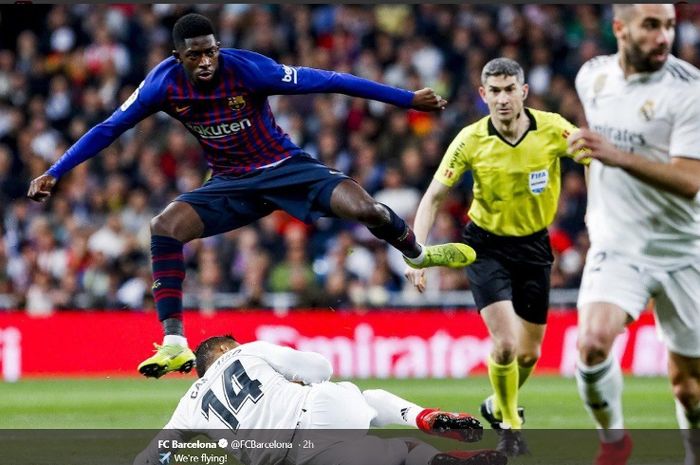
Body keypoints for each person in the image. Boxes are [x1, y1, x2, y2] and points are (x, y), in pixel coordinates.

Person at [26, 13, 476, 378]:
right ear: (176, 56)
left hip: (287, 168)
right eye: (194, 55)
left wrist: (404, 99)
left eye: (210, 51)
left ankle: (415, 254)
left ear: (218, 47)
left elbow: (330, 79)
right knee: (163, 227)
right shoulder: (161, 85)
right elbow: (108, 128)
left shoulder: (250, 69)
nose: (205, 62)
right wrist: (55, 171)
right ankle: (175, 342)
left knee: (367, 209)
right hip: (230, 183)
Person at [405, 57, 588, 455]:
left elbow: (593, 156)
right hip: (484, 247)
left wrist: (601, 214)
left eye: (510, 90)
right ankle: (510, 424)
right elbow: (433, 197)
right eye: (495, 92)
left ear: (523, 92)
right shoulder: (470, 139)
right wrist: (414, 252)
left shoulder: (553, 128)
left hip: (536, 247)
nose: (503, 99)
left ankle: (494, 403)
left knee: (528, 352)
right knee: (505, 345)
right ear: (483, 95)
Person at [568, 4, 700, 465]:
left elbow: (688, 181)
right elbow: (594, 151)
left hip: (684, 249)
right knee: (591, 345)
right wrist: (598, 215)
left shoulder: (690, 93)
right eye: (651, 26)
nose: (664, 36)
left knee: (690, 388)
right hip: (618, 245)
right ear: (620, 28)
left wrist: (616, 156)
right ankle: (614, 443)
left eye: (669, 26)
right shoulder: (592, 77)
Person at [132, 335, 507, 465]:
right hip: (316, 412)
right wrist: (296, 378)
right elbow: (321, 366)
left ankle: (436, 456)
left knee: (402, 454)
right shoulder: (248, 351)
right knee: (367, 400)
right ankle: (423, 416)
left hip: (297, 457)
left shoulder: (190, 404)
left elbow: (153, 456)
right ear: (226, 347)